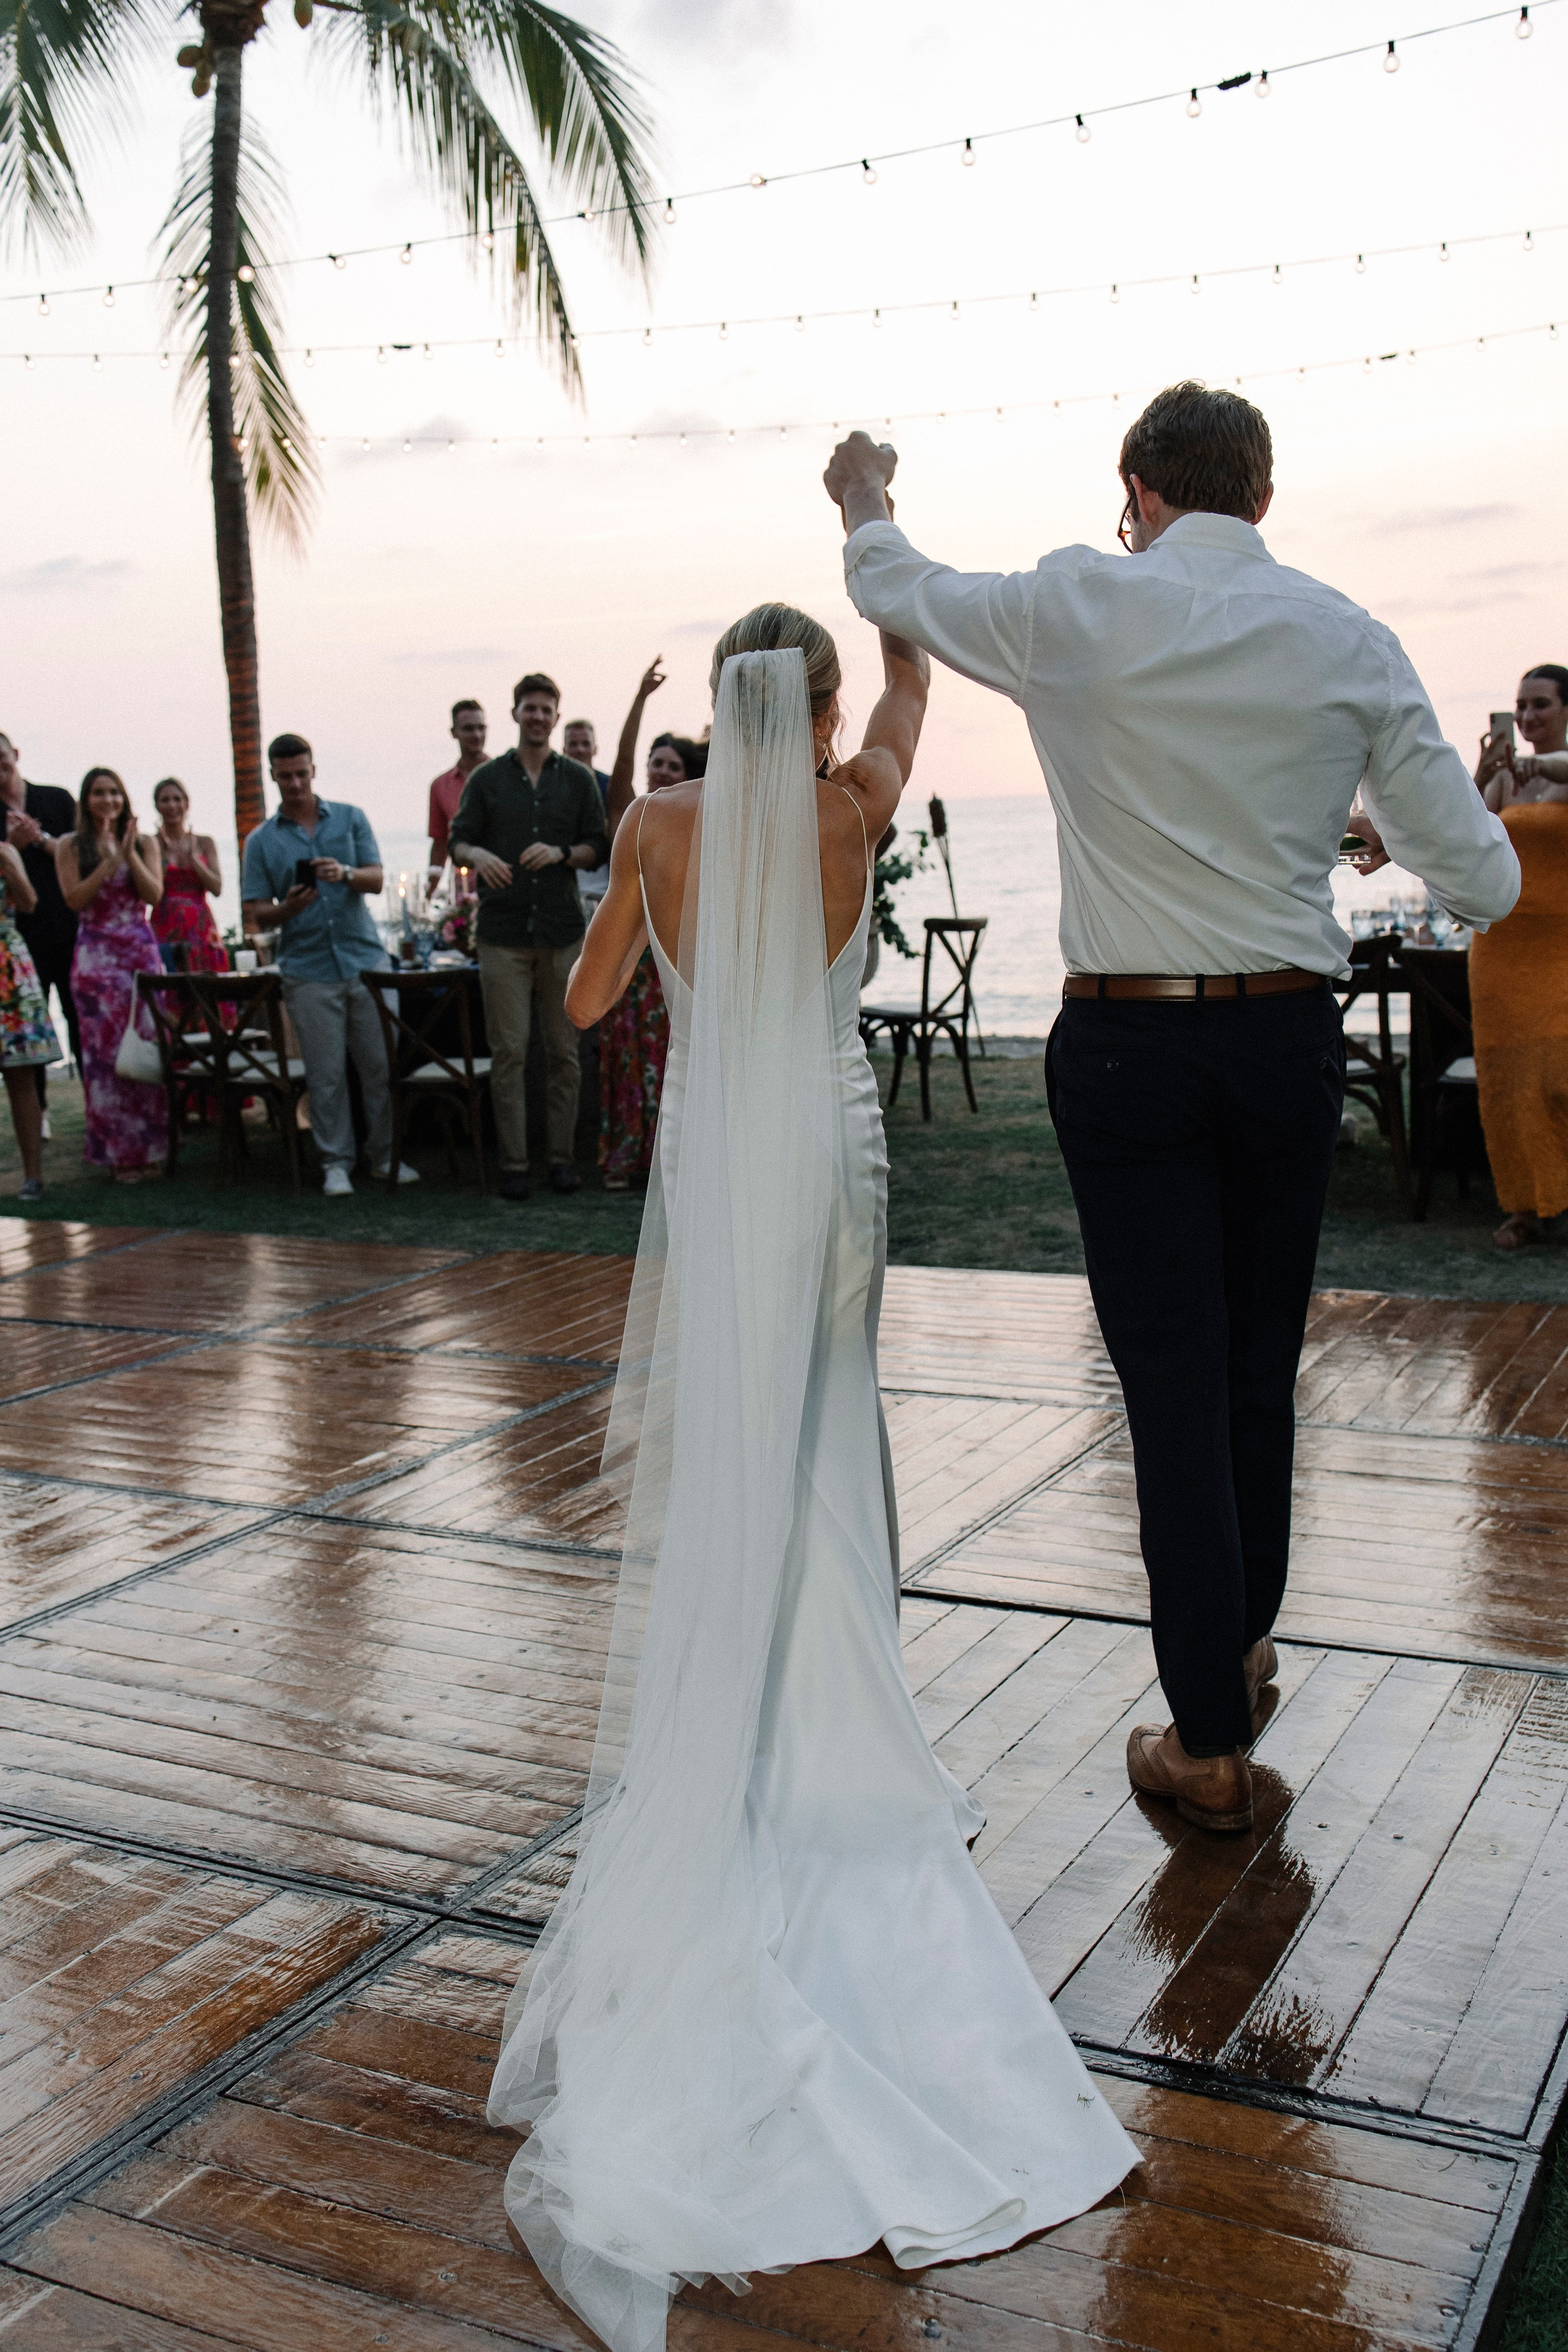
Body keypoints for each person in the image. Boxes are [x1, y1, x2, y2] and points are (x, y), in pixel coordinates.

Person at [488, 611, 1136, 2352]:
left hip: (720, 1149)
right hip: (833, 1152)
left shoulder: (656, 822)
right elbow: (913, 694)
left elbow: (588, 999)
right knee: (830, 1424)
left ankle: (744, 1726)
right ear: (823, 704)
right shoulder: (858, 804)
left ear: (716, 707)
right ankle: (840, 1720)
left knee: (730, 1437)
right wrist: (888, 574)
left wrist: (648, 887)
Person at [825, 383, 1520, 1833]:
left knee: (1168, 1380)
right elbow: (1486, 880)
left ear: (1136, 490)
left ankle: (1204, 1739)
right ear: (1259, 498)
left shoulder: (1076, 603)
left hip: (1128, 1046)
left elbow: (896, 585)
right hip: (1280, 1043)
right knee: (1255, 1360)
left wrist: (863, 489)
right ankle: (1236, 1650)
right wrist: (1359, 830)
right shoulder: (1343, 635)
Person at [450, 673, 609, 1201]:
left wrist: (562, 854)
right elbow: (458, 841)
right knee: (510, 1054)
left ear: (556, 717)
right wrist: (479, 856)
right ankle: (514, 1165)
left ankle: (561, 1160)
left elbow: (597, 846)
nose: (537, 717)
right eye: (530, 708)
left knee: (565, 1053)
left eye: (546, 710)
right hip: (503, 935)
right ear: (515, 713)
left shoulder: (578, 780)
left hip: (562, 933)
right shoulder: (488, 779)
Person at [241, 732, 414, 1198]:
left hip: (365, 960)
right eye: (286, 776)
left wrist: (346, 874)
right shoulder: (261, 841)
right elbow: (258, 912)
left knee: (380, 1068)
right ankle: (336, 1163)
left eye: (302, 773)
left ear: (313, 770)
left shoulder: (352, 818)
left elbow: (377, 879)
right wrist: (289, 908)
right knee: (326, 1076)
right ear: (274, 776)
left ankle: (385, 1157)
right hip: (308, 969)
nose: (296, 783)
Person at [1470, 664, 1568, 1249]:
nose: (1528, 717)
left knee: (1559, 1073)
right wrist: (1483, 776)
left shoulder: (1560, 773)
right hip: (1501, 949)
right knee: (1509, 1082)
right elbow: (1465, 840)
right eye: (1521, 706)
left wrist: (1539, 765)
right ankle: (1524, 1206)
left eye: (1541, 705)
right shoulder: (1507, 780)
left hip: (1560, 946)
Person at [596, 660, 704, 1189]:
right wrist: (639, 699)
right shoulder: (631, 817)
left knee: (672, 1061)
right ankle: (625, 1159)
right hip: (631, 963)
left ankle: (673, 1163)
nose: (661, 771)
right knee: (627, 1060)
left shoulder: (698, 824)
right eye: (655, 763)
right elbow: (620, 767)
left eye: (672, 765)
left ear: (689, 776)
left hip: (677, 962)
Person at [57, 769, 167, 1182]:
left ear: (125, 798)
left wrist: (129, 854)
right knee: (105, 1056)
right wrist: (108, 861)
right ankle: (119, 1155)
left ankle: (152, 1149)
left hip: (139, 953)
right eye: (99, 793)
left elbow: (154, 895)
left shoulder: (144, 842)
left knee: (146, 1049)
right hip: (96, 960)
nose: (108, 800)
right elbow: (74, 900)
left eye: (115, 792)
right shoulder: (70, 845)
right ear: (86, 801)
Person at [1, 731, 79, 1128]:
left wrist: (43, 840)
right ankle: (41, 1111)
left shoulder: (56, 799)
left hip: (70, 926)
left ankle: (96, 1104)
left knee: (78, 1017)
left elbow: (84, 851)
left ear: (15, 754)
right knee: (32, 1030)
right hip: (20, 939)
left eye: (2, 759)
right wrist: (11, 844)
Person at [0, 833, 61, 1200]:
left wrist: (10, 863)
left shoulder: (6, 851)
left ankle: (33, 1176)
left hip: (7, 967)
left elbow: (29, 902)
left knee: (21, 1074)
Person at [150, 778, 225, 973]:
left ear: (187, 803)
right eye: (165, 800)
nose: (172, 805)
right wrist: (163, 859)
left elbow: (217, 888)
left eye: (177, 799)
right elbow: (150, 894)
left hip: (200, 925)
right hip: (165, 923)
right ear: (157, 806)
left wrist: (196, 861)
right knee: (168, 983)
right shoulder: (151, 845)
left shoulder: (204, 843)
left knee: (209, 983)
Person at [427, 698, 488, 885]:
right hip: (463, 889)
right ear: (454, 733)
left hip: (501, 884)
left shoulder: (504, 776)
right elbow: (440, 843)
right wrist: (430, 891)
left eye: (481, 728)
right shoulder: (440, 786)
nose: (477, 735)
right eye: (469, 729)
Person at [562, 715, 613, 908]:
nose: (580, 750)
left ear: (595, 749)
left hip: (604, 884)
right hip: (567, 881)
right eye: (573, 744)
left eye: (586, 744)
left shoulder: (609, 787)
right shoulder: (554, 787)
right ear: (564, 750)